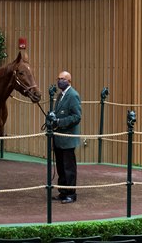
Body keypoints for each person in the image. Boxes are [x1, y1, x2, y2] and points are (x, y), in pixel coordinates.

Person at [51, 70, 82, 204]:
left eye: (62, 79)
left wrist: (59, 122)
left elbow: (76, 117)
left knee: (69, 168)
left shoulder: (73, 95)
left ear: (69, 81)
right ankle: (63, 192)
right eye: (58, 78)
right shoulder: (60, 95)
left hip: (68, 138)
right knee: (60, 167)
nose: (59, 81)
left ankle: (71, 194)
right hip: (59, 138)